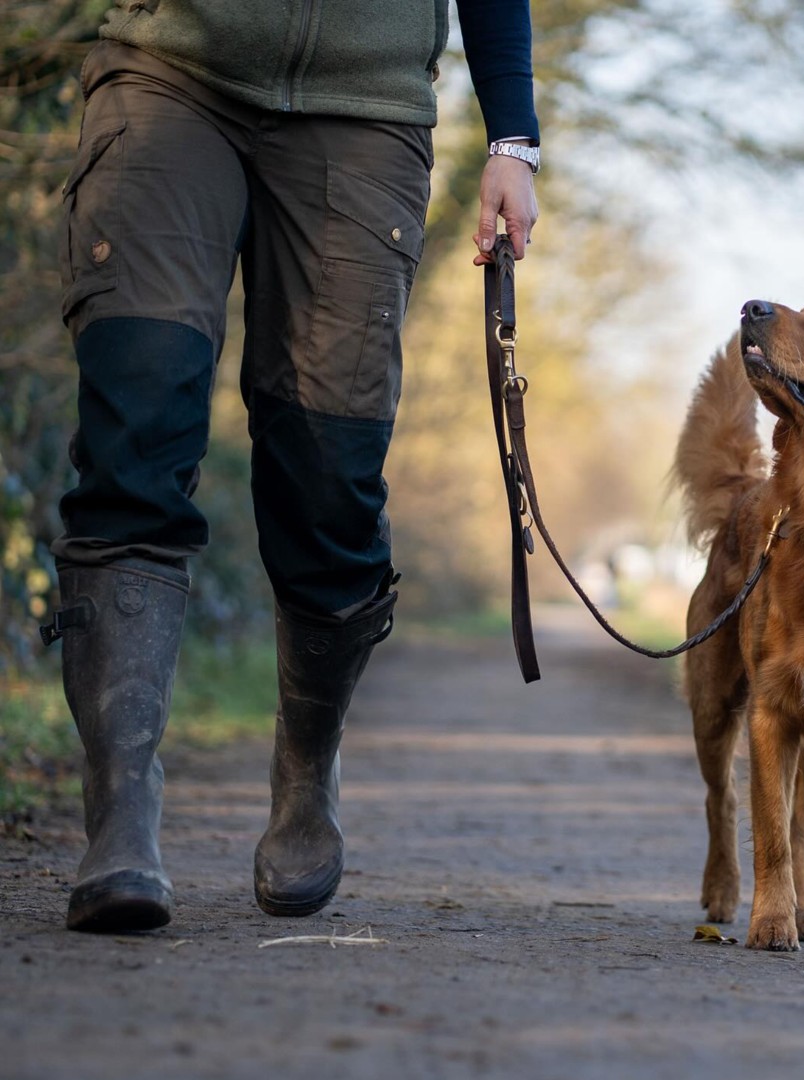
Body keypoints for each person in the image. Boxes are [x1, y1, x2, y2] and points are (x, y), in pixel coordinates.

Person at [40, 0, 539, 933]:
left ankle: (307, 770)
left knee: (330, 479)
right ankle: (120, 815)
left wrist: (513, 136)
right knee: (135, 421)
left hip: (366, 113)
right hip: (169, 71)